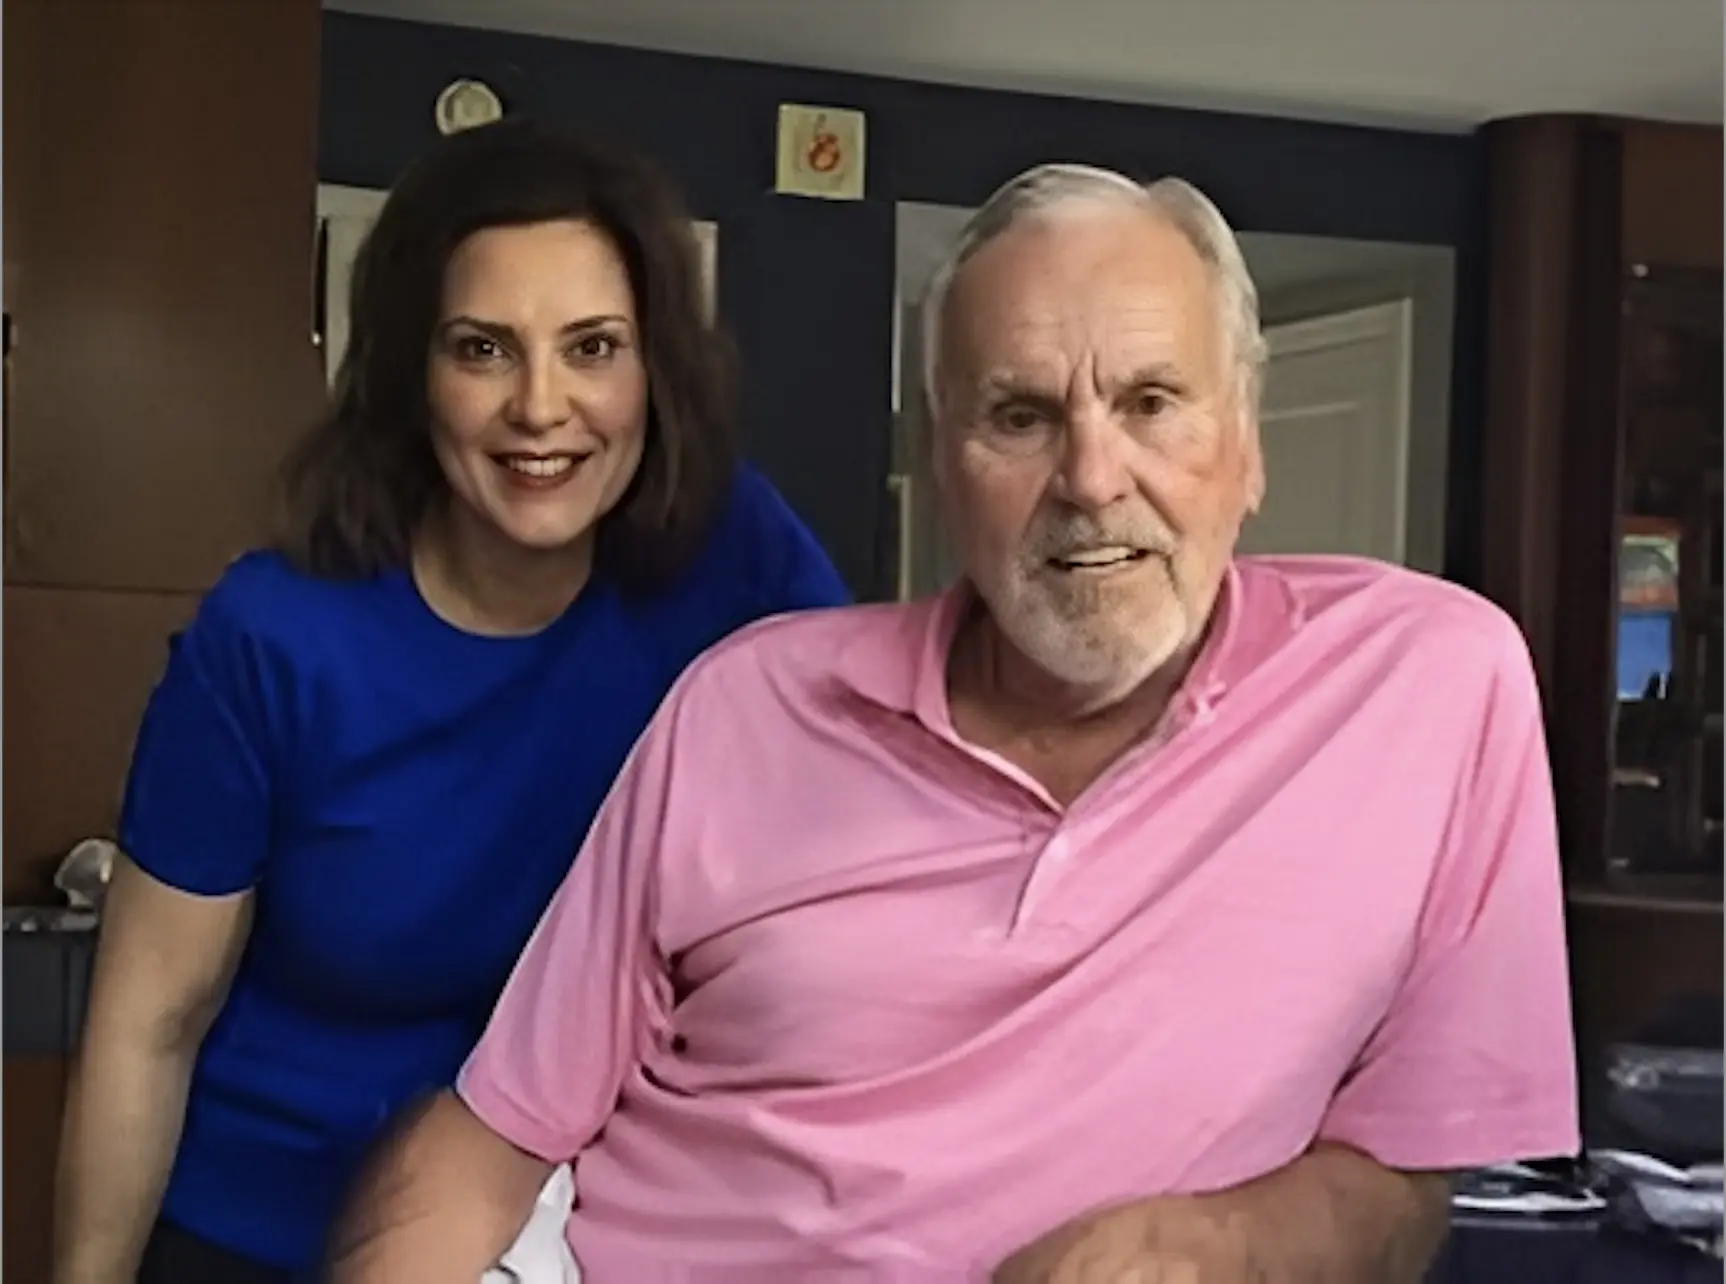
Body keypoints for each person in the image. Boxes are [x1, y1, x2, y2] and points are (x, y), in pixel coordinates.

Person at [330, 163, 1579, 1283]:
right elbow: (503, 1130)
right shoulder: (747, 700)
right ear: (938, 461)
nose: (1092, 481)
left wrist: (1218, 1244)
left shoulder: (1432, 686)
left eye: (1151, 401)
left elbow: (1406, 1173)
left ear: (1245, 445)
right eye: (1021, 416)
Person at [52, 118, 850, 1284]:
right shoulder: (274, 633)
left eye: (592, 347)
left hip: (591, 1234)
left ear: (654, 371)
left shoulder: (737, 559)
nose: (541, 407)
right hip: (264, 1235)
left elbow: (892, 804)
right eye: (483, 348)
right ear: (410, 374)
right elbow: (149, 1023)